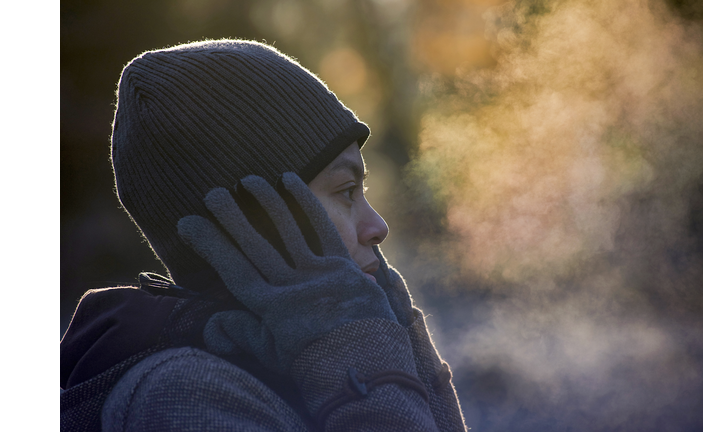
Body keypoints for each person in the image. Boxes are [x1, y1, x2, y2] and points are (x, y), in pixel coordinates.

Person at [60, 39, 467, 431]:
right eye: (346, 191)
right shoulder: (184, 396)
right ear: (255, 218)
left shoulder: (296, 353)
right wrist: (365, 360)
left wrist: (399, 337)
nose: (378, 227)